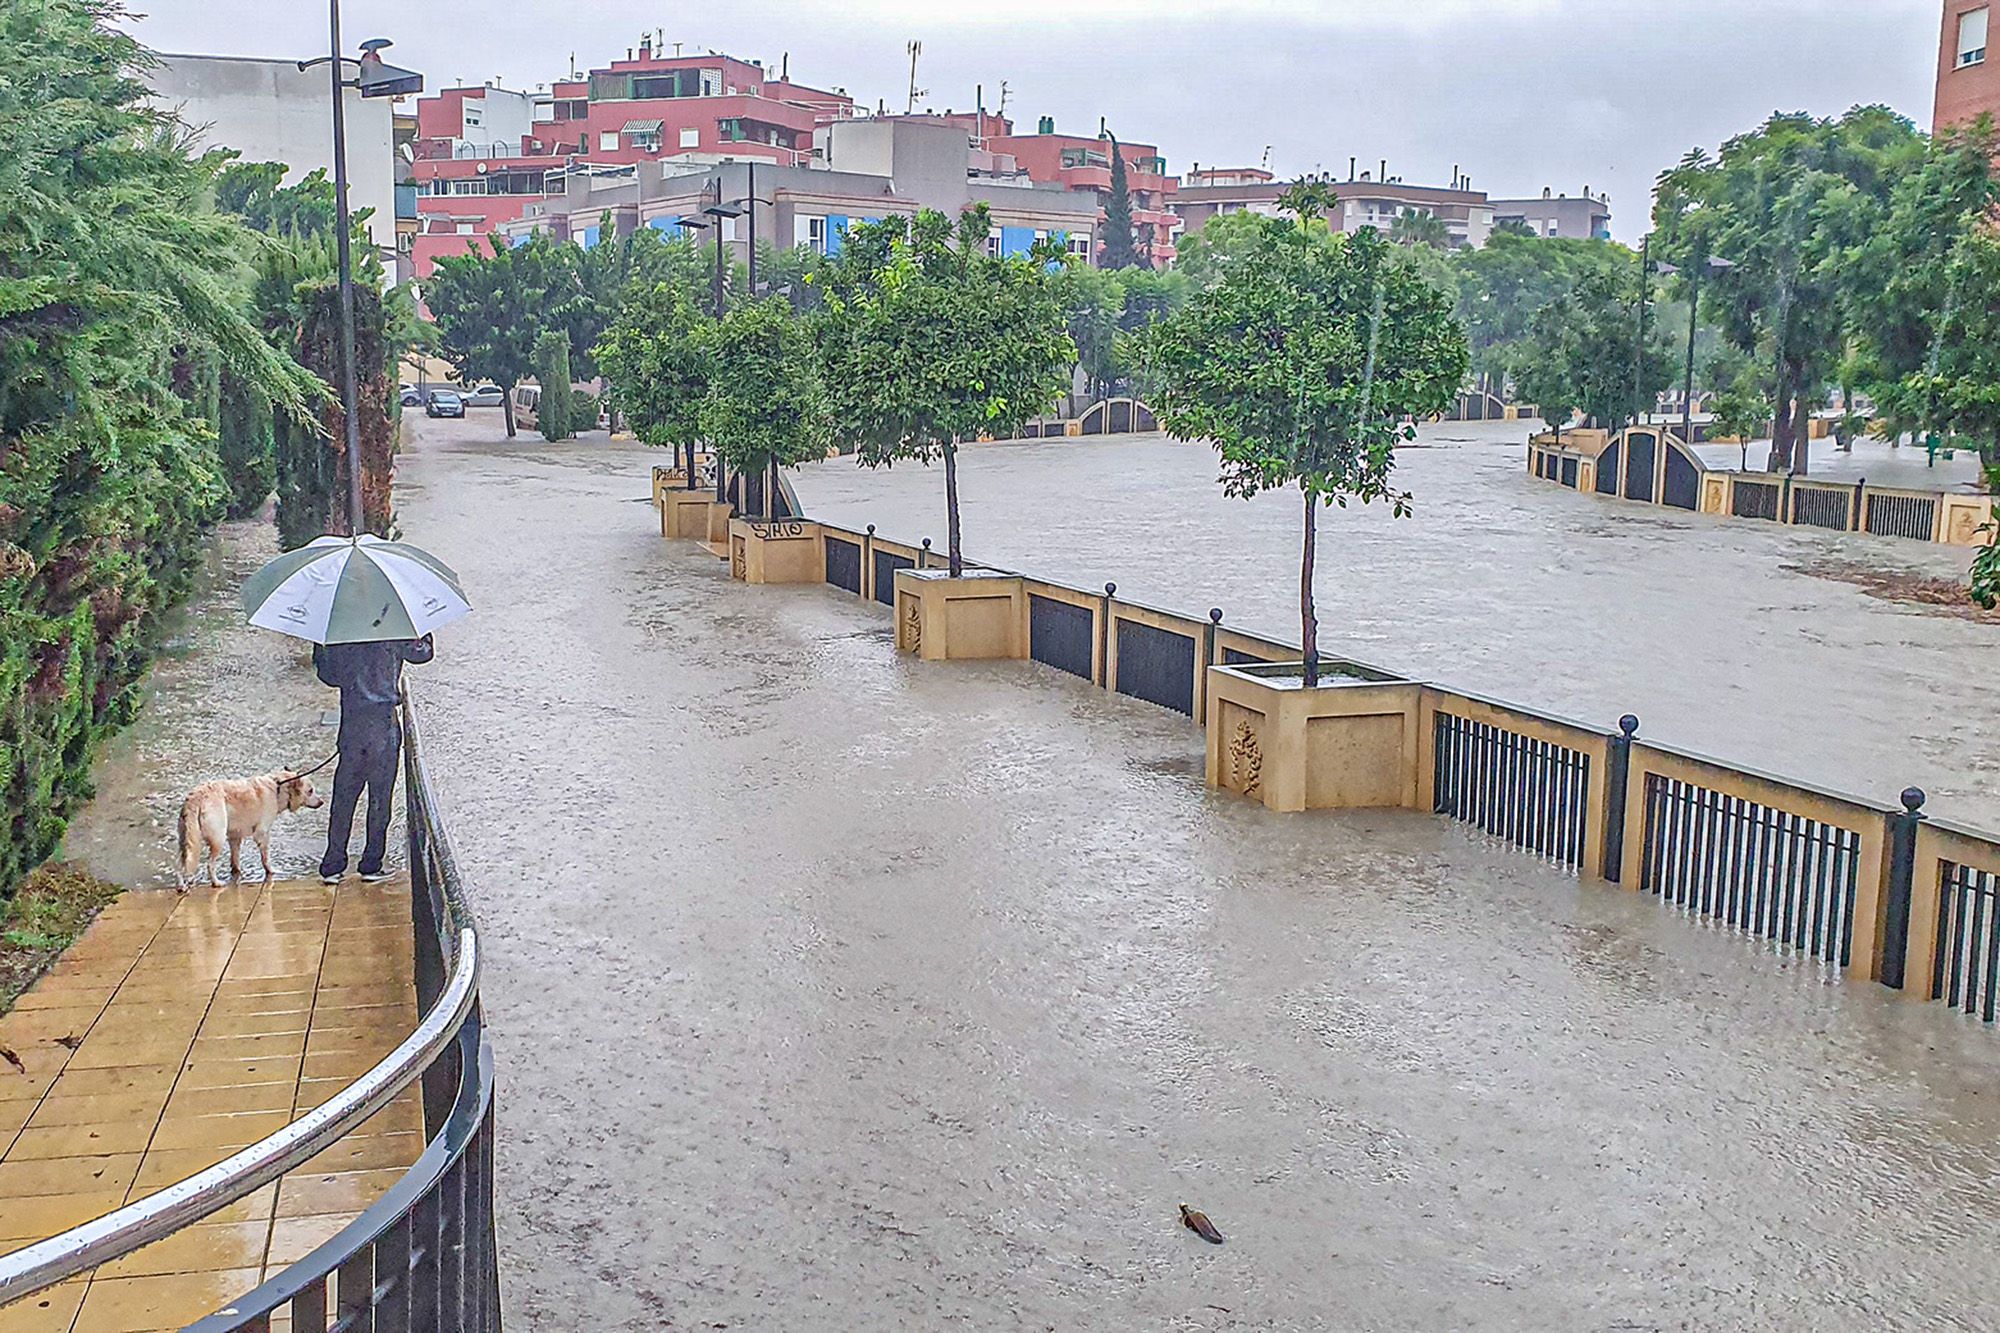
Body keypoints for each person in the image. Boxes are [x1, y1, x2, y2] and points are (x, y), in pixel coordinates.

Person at [313, 634, 434, 883]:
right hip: (383, 725)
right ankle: (371, 863)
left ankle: (333, 865)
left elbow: (328, 675)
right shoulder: (394, 629)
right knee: (380, 799)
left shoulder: (342, 632)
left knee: (344, 797)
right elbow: (422, 654)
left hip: (352, 724)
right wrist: (422, 630)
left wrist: (320, 644)